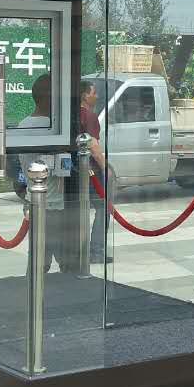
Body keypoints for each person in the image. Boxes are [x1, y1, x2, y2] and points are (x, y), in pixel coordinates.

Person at [19, 73, 70, 270]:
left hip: (33, 199)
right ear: (50, 98)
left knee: (39, 259)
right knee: (65, 260)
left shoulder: (23, 124)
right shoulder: (50, 128)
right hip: (53, 204)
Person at [79, 79, 110, 264]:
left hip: (76, 170)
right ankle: (96, 251)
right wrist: (106, 168)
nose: (96, 96)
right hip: (91, 172)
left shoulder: (72, 115)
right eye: (94, 92)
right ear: (85, 95)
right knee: (103, 208)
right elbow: (94, 147)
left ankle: (79, 251)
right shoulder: (90, 117)